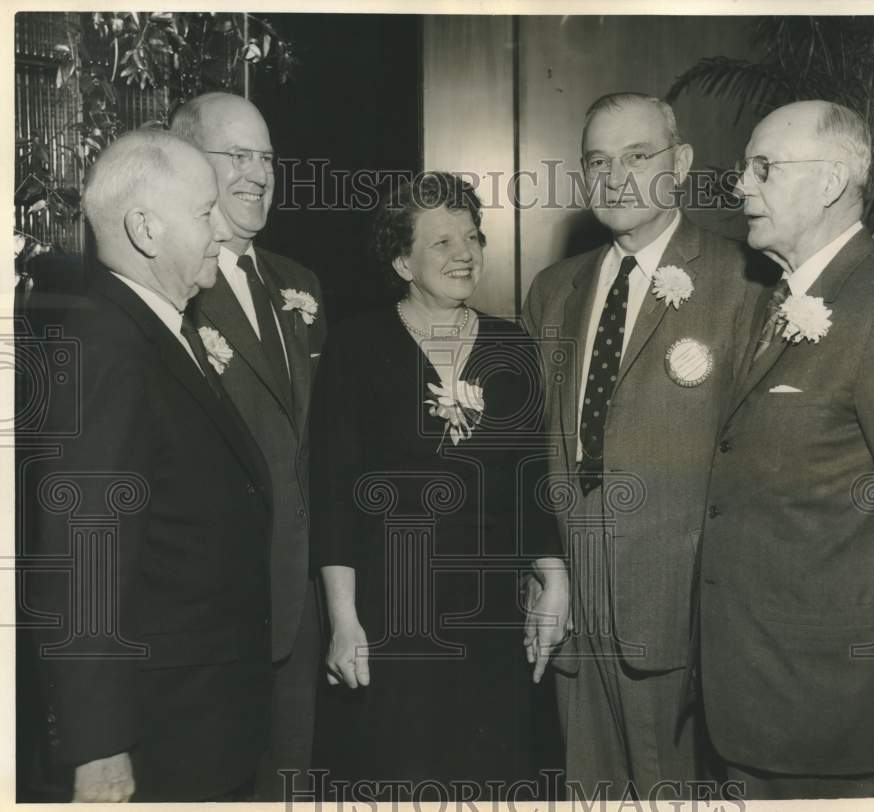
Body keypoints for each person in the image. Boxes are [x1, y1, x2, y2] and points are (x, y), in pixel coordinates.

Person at [698, 100, 874, 799]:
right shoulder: (779, 297)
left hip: (828, 712)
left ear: (828, 183)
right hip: (753, 693)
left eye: (764, 168)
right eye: (743, 169)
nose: (740, 186)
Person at [522, 92, 758, 799]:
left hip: (678, 612)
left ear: (680, 163)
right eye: (598, 161)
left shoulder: (743, 281)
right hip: (569, 606)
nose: (614, 176)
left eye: (636, 155)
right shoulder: (554, 290)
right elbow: (531, 448)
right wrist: (544, 565)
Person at [29, 129, 273, 802]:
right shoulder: (108, 343)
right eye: (203, 213)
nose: (220, 232)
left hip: (201, 716)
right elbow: (83, 560)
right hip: (161, 730)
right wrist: (99, 747)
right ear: (145, 228)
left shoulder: (159, 327)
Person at [312, 172, 568, 798]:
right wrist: (343, 620)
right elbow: (334, 494)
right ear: (402, 260)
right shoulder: (355, 347)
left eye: (474, 237)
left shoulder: (513, 346)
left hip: (492, 622)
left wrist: (554, 578)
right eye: (443, 242)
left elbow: (531, 484)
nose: (466, 253)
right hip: (392, 617)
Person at [170, 92, 328, 800]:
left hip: (301, 607)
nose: (257, 173)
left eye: (265, 157)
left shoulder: (302, 285)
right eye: (236, 155)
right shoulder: (170, 290)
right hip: (213, 619)